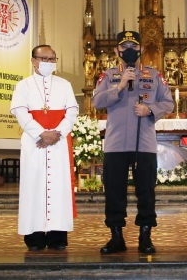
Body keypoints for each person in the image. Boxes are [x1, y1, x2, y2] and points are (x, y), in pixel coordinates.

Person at [92, 31, 174, 254]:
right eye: (124, 46)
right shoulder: (108, 76)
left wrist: (150, 109)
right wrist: (119, 87)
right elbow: (96, 101)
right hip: (116, 144)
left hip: (144, 143)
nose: (129, 50)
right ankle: (116, 237)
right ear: (117, 51)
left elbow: (169, 102)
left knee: (146, 191)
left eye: (134, 46)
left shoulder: (154, 75)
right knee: (114, 191)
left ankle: (145, 236)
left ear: (140, 50)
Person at [10, 45, 79, 251]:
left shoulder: (64, 84)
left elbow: (72, 111)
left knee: (59, 188)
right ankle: (35, 237)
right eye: (45, 59)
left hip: (58, 143)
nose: (49, 63)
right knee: (34, 187)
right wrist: (41, 134)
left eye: (52, 59)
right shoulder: (23, 86)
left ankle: (58, 236)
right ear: (33, 61)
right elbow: (21, 112)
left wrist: (57, 133)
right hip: (34, 143)